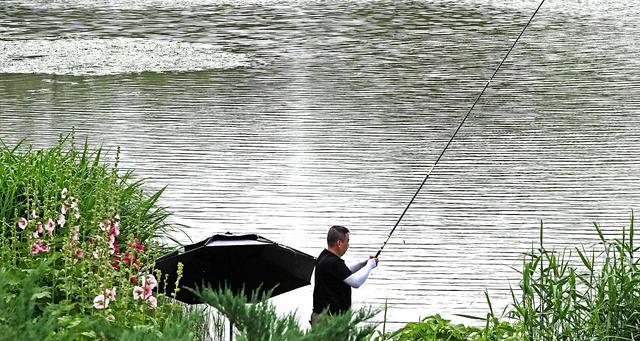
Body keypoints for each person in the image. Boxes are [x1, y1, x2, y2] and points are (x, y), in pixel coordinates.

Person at [310, 225, 378, 326]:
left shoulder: (324, 256)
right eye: (347, 241)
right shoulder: (334, 262)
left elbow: (343, 273)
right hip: (329, 319)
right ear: (339, 243)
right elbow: (356, 283)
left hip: (321, 315)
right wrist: (370, 266)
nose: (348, 245)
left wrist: (364, 263)